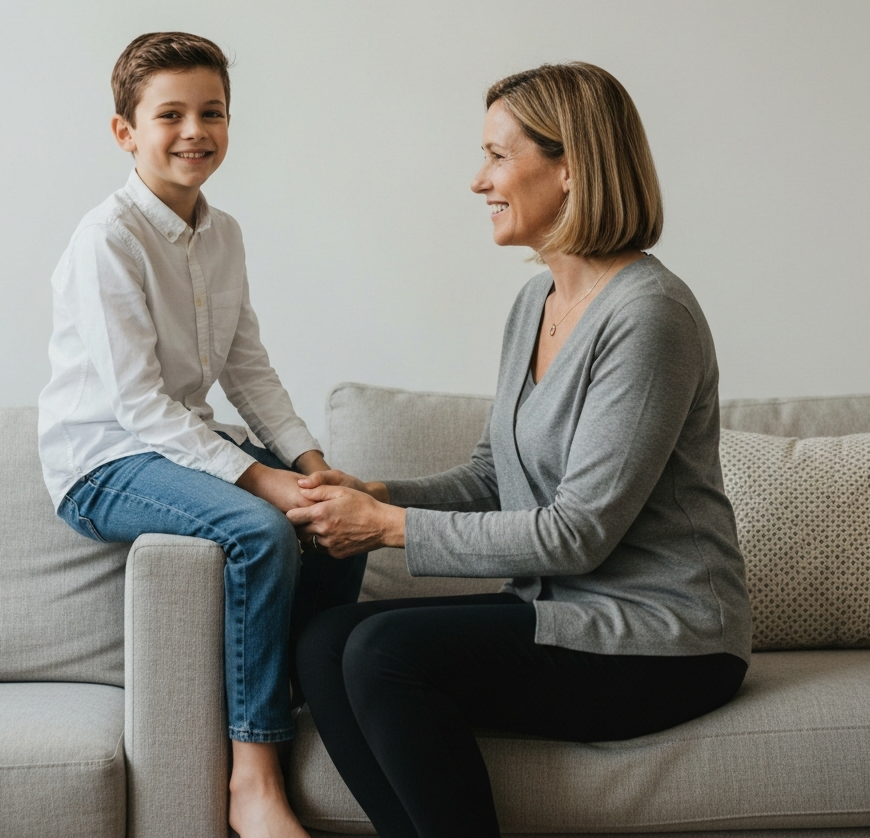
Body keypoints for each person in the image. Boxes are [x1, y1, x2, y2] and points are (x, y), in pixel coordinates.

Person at [287, 62, 753, 838]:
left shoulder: (649, 316)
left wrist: (384, 527)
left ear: (570, 166)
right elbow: (491, 475)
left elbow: (577, 533)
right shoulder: (535, 302)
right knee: (327, 641)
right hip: (559, 612)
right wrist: (378, 491)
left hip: (662, 636)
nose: (479, 181)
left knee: (383, 652)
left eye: (498, 156)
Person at [37, 31, 365, 838]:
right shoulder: (107, 239)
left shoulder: (226, 236)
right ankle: (252, 777)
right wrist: (262, 482)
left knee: (338, 520)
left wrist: (315, 469)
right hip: (104, 460)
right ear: (127, 132)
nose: (195, 131)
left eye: (211, 112)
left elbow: (248, 372)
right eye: (171, 114)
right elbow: (141, 408)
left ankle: (297, 705)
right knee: (261, 532)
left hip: (176, 443)